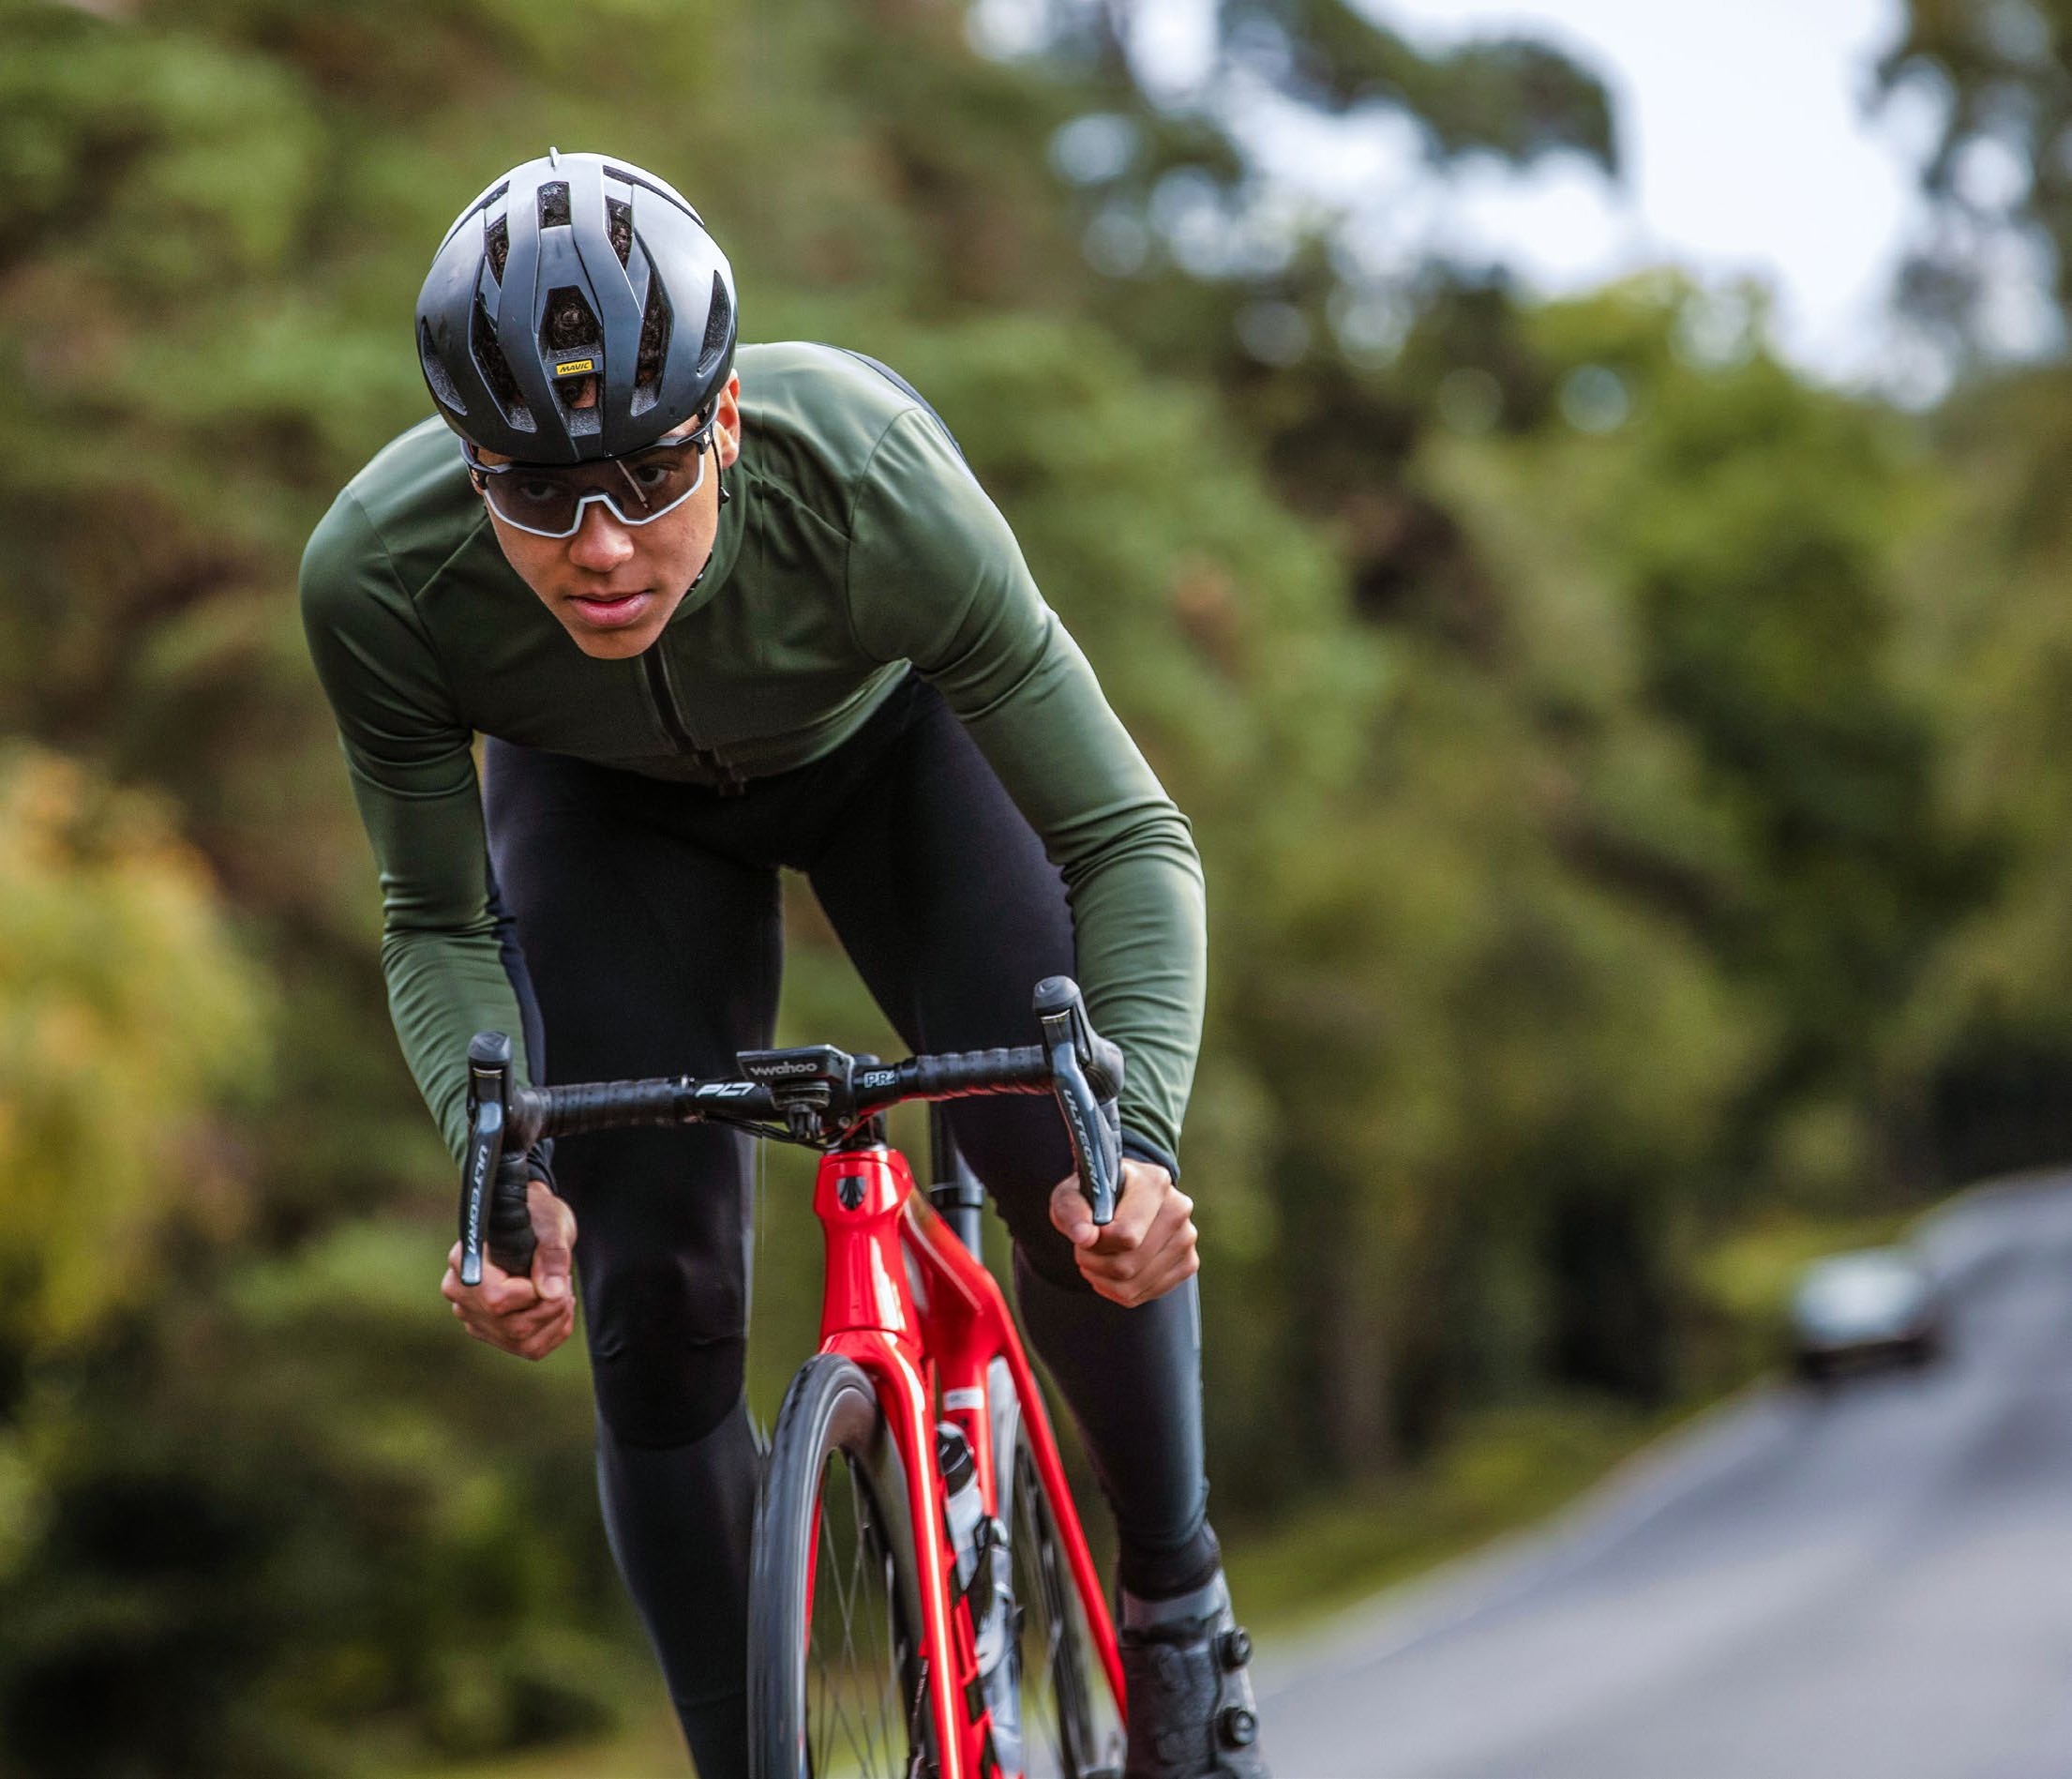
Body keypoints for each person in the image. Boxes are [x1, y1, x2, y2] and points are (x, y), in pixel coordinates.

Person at [300, 148, 1268, 1779]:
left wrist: (1145, 1137)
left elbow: (1128, 840)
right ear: (471, 470)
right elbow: (439, 926)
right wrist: (494, 1169)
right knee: (652, 1289)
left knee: (1071, 1179)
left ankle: (1176, 1603)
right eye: (536, 490)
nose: (600, 545)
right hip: (606, 816)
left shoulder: (872, 477)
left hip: (891, 746)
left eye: (646, 474)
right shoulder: (380, 581)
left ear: (726, 419)